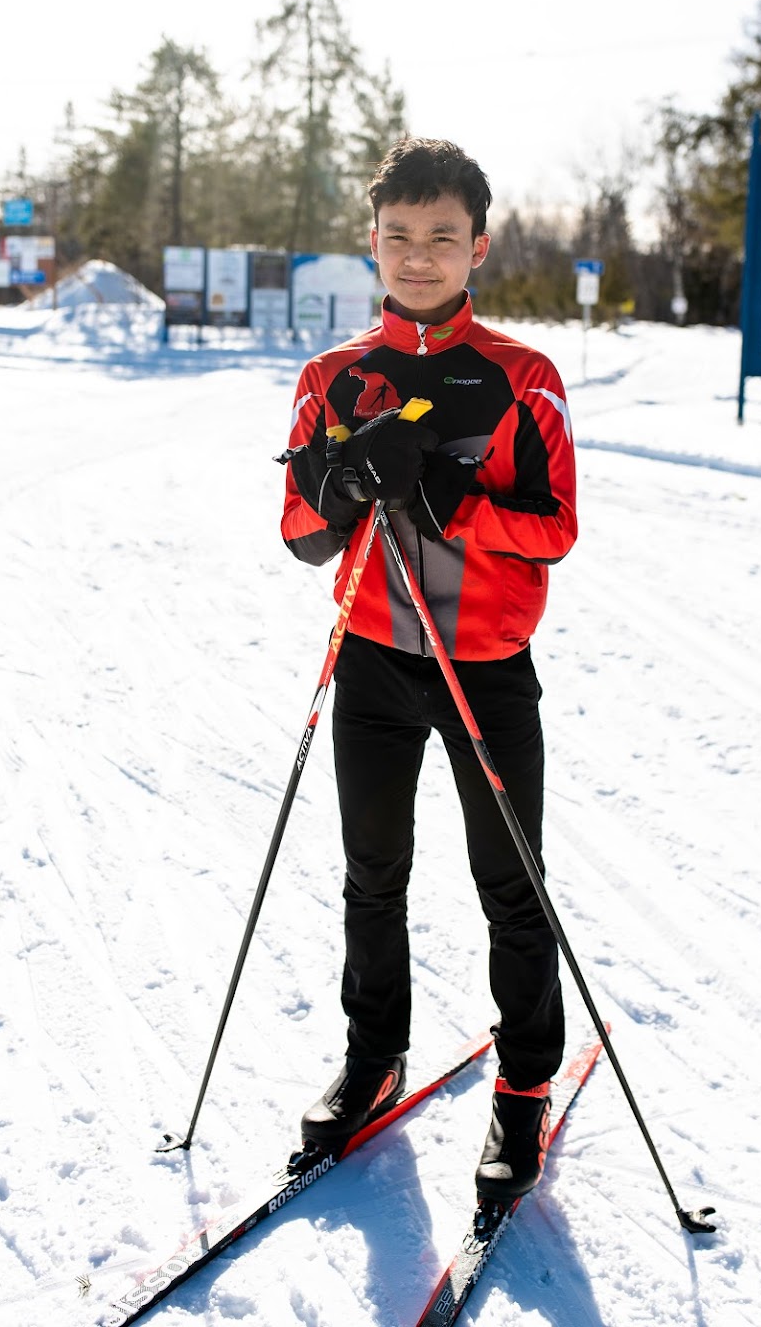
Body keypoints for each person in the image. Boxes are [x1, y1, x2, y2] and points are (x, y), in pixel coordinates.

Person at [280, 137, 578, 1201]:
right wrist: (347, 484)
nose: (418, 256)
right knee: (373, 876)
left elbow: (555, 531)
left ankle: (524, 1088)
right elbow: (301, 534)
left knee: (512, 888)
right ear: (373, 241)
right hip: (372, 660)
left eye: (441, 237)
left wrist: (448, 502)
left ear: (477, 248)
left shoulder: (523, 380)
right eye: (399, 236)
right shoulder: (332, 378)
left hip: (485, 666)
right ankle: (374, 1059)